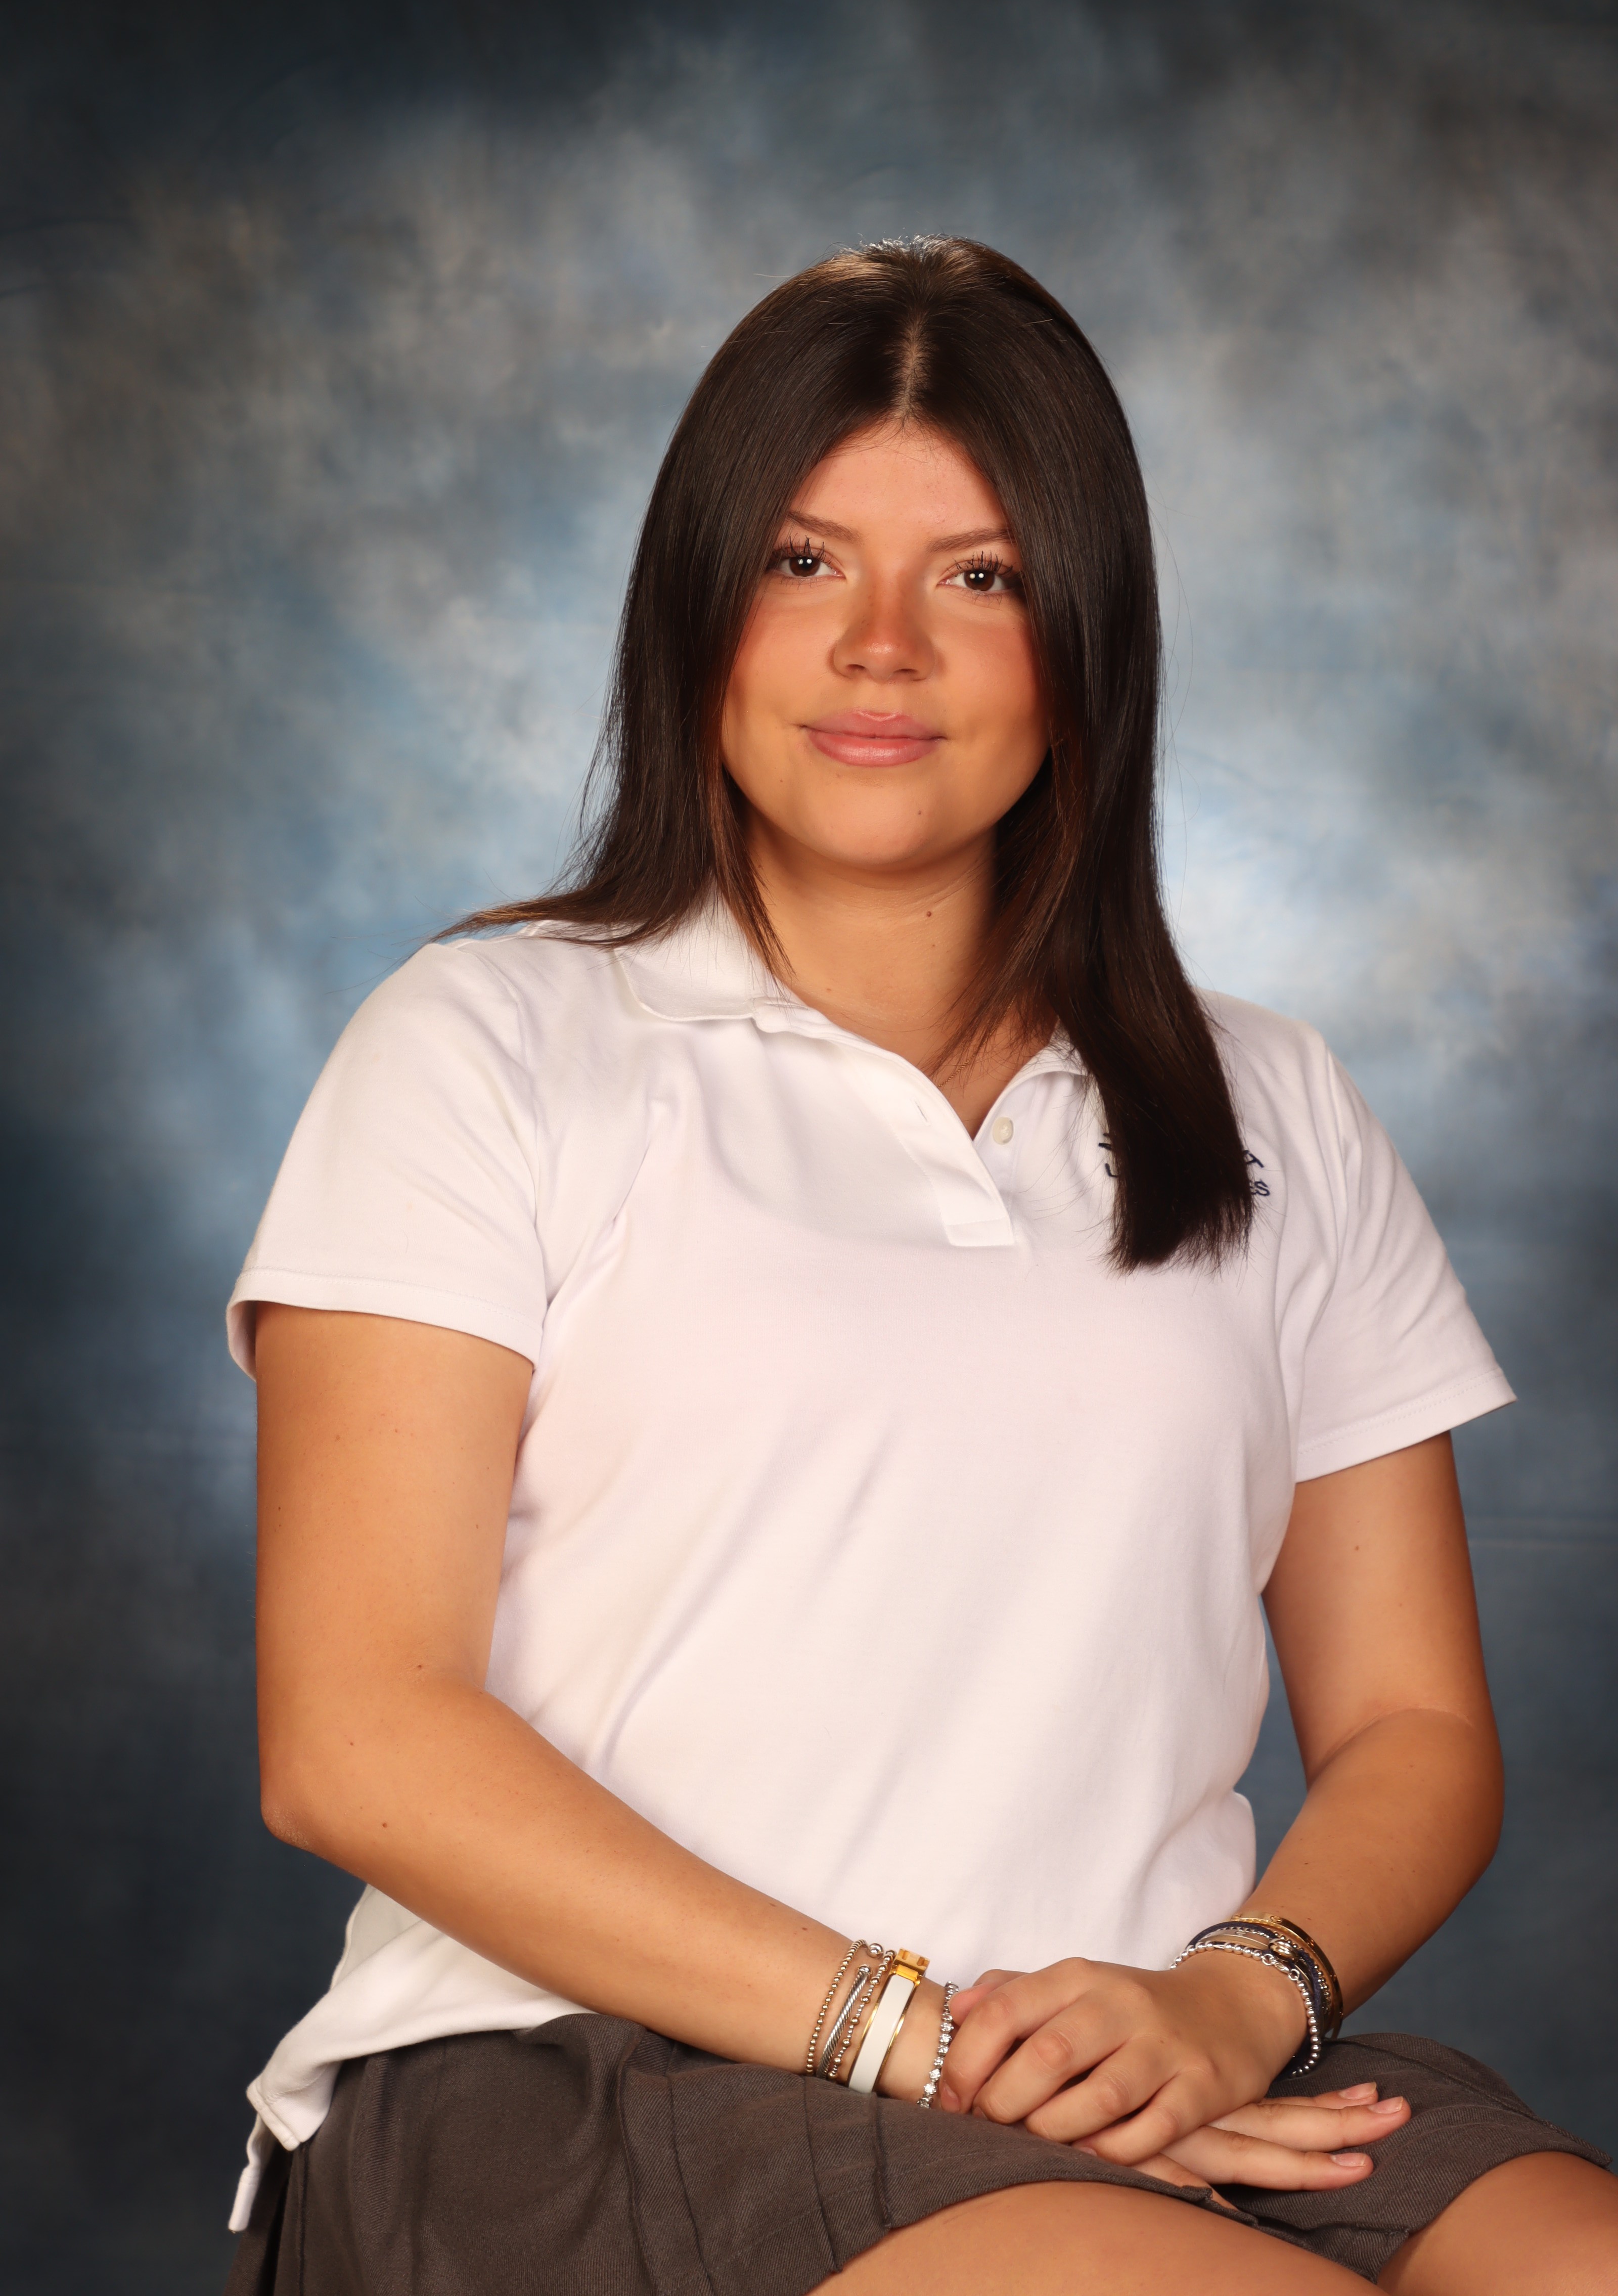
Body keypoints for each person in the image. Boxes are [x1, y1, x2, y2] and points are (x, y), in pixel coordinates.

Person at [223, 238, 1613, 2295]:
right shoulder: (486, 1043)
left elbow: (1412, 1722)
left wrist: (1235, 1994)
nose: (880, 648)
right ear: (696, 608)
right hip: (583, 2077)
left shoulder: (1271, 1098)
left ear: (1084, 641)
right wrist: (912, 2034)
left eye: (978, 576)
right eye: (802, 562)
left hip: (1146, 2064)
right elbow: (355, 1735)